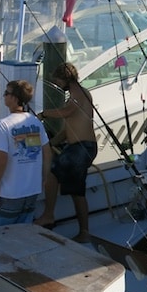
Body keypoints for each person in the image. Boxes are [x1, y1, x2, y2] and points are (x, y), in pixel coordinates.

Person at [34, 62, 98, 243]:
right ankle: (78, 228)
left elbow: (66, 112)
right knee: (71, 187)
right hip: (77, 148)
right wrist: (49, 143)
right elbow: (67, 130)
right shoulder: (75, 95)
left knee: (56, 173)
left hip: (82, 148)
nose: (57, 84)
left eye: (57, 80)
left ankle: (50, 216)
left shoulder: (78, 92)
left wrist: (44, 114)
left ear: (65, 78)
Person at [0, 80, 51, 226]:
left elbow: (1, 159)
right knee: (24, 231)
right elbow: (47, 154)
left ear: (15, 98)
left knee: (0, 235)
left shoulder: (3, 125)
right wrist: (44, 178)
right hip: (32, 191)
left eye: (6, 93)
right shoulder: (36, 122)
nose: (4, 96)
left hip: (11, 193)